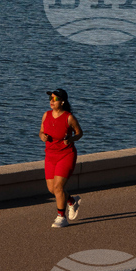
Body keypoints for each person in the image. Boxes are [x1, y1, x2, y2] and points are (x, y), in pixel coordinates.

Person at [40, 88, 84, 228]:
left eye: (55, 99)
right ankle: (71, 201)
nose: (51, 101)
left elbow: (79, 133)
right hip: (50, 156)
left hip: (66, 155)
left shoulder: (69, 117)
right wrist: (42, 136)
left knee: (58, 187)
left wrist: (71, 139)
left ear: (63, 102)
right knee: (52, 189)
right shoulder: (46, 115)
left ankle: (61, 217)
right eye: (50, 99)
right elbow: (41, 131)